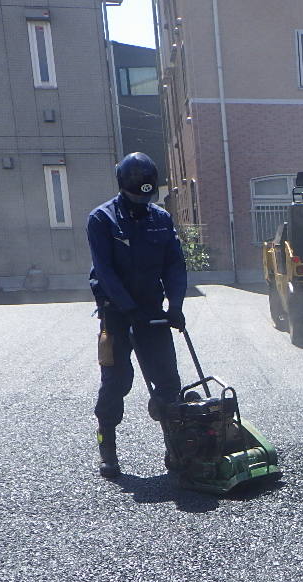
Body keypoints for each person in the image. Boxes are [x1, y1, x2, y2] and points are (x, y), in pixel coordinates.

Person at [87, 152, 187, 479]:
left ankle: (176, 449)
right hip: (116, 314)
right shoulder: (102, 220)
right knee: (116, 382)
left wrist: (175, 306)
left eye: (147, 197)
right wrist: (127, 309)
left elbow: (174, 263)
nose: (142, 202)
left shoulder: (159, 218)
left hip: (151, 312)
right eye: (136, 196)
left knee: (169, 382)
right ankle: (108, 447)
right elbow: (104, 271)